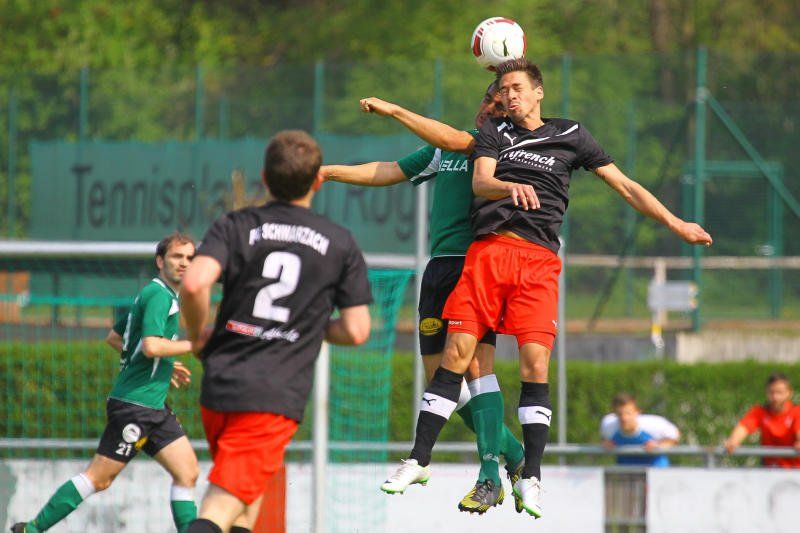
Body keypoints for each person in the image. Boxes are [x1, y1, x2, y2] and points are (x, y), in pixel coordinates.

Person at [386, 58, 713, 519]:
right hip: (488, 253)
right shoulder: (493, 133)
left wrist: (676, 223)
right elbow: (481, 180)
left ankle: (530, 475)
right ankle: (419, 460)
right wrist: (508, 186)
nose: (510, 96)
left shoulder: (571, 134)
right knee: (456, 356)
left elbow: (624, 185)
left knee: (534, 363)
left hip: (537, 261)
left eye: (517, 87)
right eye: (504, 89)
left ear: (539, 92)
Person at [322, 83, 525, 514]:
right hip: (438, 270)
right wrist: (329, 172)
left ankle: (489, 473)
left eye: (500, 104)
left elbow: (460, 142)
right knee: (442, 381)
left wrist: (394, 108)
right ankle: (514, 452)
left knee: (475, 367)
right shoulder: (445, 150)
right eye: (487, 99)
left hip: (477, 266)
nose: (490, 108)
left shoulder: (500, 151)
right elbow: (389, 170)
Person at [180, 130, 372, 533]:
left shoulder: (235, 224)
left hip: (220, 386)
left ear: (265, 178)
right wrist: (308, 325)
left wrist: (197, 335)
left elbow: (195, 283)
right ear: (318, 181)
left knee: (245, 506)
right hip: (272, 396)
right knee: (218, 508)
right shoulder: (339, 242)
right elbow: (356, 330)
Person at [11, 233, 200, 533]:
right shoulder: (160, 296)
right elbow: (151, 345)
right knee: (98, 478)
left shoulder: (155, 294)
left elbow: (115, 338)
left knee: (187, 472)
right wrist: (195, 345)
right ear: (160, 261)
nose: (184, 263)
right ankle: (32, 529)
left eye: (190, 257)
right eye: (177, 256)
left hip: (153, 406)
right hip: (136, 406)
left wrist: (165, 363)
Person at [724, 372, 800, 467]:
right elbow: (743, 427)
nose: (775, 397)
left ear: (789, 393)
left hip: (795, 470)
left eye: (779, 392)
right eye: (771, 392)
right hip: (769, 470)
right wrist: (733, 441)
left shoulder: (796, 412)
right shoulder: (759, 412)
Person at [600, 392, 680, 466]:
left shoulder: (653, 424)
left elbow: (675, 435)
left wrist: (658, 446)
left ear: (637, 412)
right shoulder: (609, 425)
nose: (624, 418)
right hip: (626, 471)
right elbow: (605, 439)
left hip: (655, 470)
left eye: (628, 413)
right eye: (620, 414)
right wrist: (607, 443)